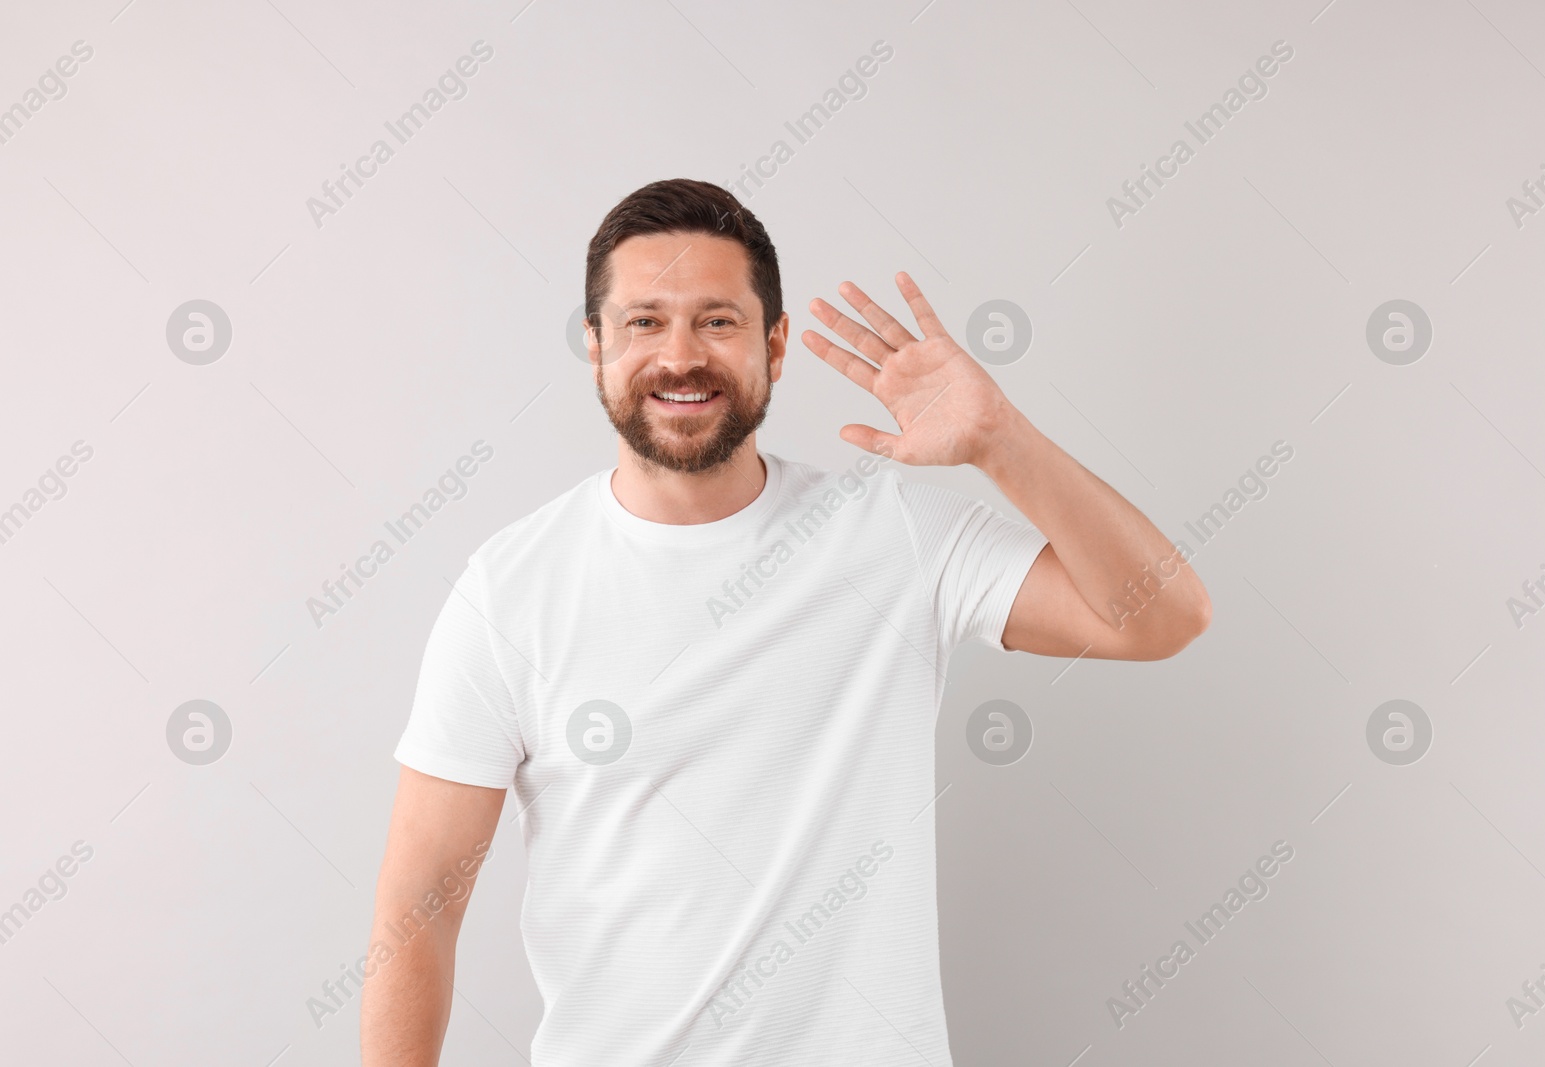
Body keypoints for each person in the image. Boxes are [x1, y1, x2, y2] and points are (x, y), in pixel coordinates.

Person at [360, 178, 1210, 1066]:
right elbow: (419, 907)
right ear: (596, 344)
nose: (680, 355)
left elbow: (1163, 615)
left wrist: (1001, 439)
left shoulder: (897, 536)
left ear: (775, 344)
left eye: (718, 321)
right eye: (645, 321)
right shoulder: (511, 590)